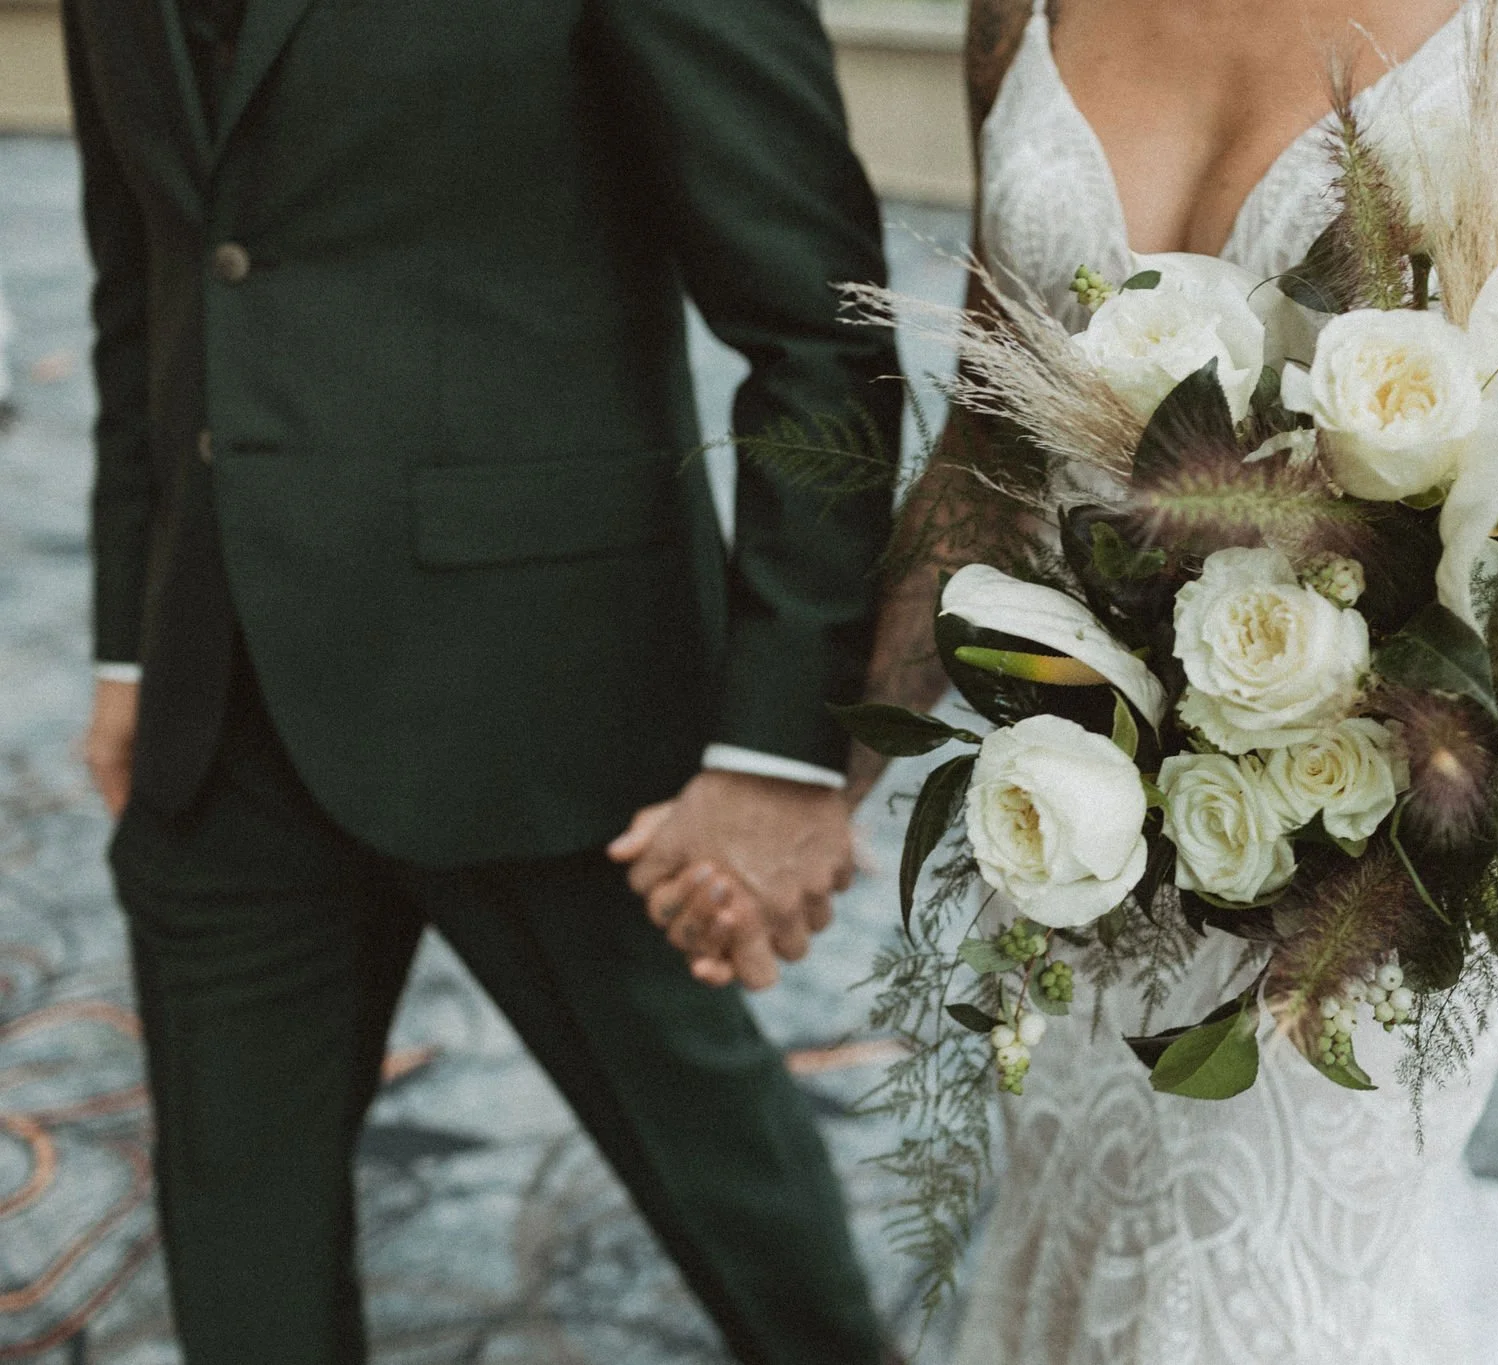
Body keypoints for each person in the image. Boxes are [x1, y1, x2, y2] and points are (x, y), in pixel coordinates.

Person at [662, 1, 1498, 1361]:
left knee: (1263, 1308)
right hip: (1080, 820)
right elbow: (993, 450)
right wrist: (814, 781)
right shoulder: (1024, 9)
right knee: (1083, 1251)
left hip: (1369, 854)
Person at [63, 0, 898, 1359]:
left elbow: (821, 341)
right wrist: (129, 644)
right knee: (240, 1272)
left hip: (552, 696)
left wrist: (774, 752)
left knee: (746, 1224)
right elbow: (145, 283)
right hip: (220, 700)